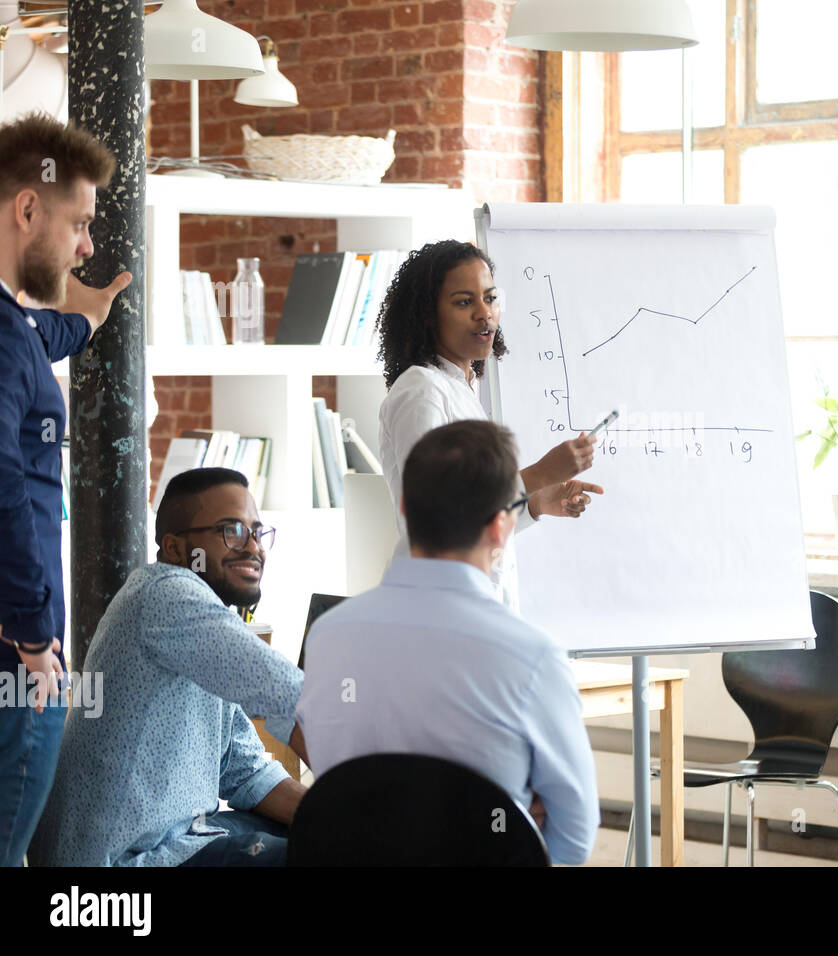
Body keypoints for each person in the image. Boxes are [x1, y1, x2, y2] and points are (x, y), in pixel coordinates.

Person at [296, 420, 601, 865]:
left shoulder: (325, 639)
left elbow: (342, 787)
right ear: (502, 527)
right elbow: (574, 832)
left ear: (405, 508)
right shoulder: (533, 658)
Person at [28, 468, 306, 866]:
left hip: (179, 841)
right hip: (117, 874)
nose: (253, 547)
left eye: (257, 532)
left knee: (322, 831)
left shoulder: (203, 628)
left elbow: (244, 770)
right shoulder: (166, 594)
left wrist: (339, 818)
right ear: (175, 549)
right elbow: (290, 696)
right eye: (231, 531)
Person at [0, 112, 131, 866]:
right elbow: (3, 488)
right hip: (18, 658)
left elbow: (31, 342)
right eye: (78, 222)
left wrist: (80, 324)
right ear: (27, 210)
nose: (86, 246)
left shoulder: (14, 332)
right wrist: (31, 633)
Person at [376, 239, 603, 609]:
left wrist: (535, 504)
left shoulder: (462, 388)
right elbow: (443, 511)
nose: (485, 314)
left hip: (473, 608)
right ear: (428, 316)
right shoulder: (422, 390)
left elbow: (478, 523)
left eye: (491, 298)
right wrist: (541, 474)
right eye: (465, 302)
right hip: (439, 608)